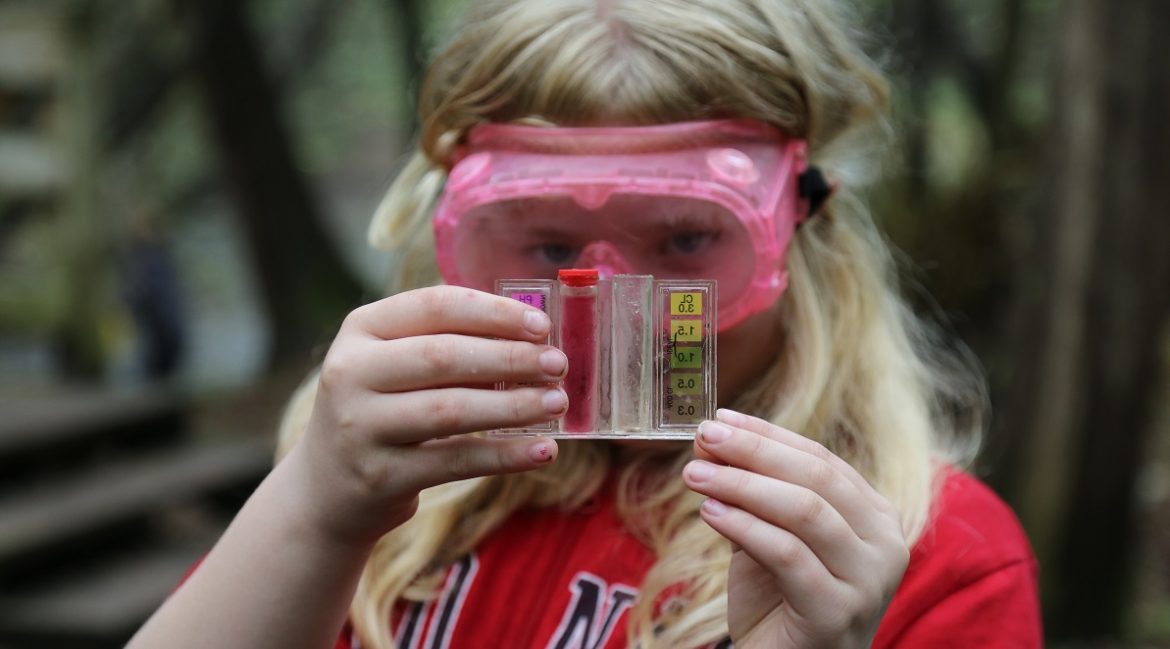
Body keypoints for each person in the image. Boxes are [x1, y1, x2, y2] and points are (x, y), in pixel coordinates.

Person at [129, 0, 1042, 647]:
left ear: (800, 226)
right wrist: (315, 508)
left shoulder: (922, 558)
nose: (612, 302)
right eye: (546, 242)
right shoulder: (380, 500)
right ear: (455, 236)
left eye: (687, 237)